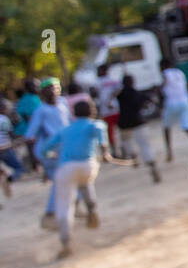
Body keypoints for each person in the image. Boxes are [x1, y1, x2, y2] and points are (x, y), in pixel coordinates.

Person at [40, 100, 131, 258]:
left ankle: (65, 242)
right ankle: (92, 208)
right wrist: (106, 153)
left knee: (64, 207)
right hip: (88, 166)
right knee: (85, 183)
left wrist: (51, 156)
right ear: (92, 111)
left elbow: (45, 149)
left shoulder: (66, 130)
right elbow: (101, 137)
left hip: (66, 168)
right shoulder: (95, 125)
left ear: (74, 114)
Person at [24, 79, 71, 228]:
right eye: (48, 88)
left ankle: (68, 210)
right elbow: (30, 136)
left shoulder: (63, 104)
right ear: (42, 92)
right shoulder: (41, 111)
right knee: (59, 181)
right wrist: (35, 161)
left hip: (65, 150)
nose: (52, 91)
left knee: (67, 179)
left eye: (55, 87)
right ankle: (51, 214)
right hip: (49, 152)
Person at [116, 74, 161, 183]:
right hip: (139, 122)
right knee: (145, 145)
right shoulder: (137, 93)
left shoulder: (120, 94)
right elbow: (149, 100)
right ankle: (150, 162)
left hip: (125, 123)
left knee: (126, 142)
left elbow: (111, 99)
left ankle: (133, 156)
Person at [160, 62, 188, 163]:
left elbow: (163, 85)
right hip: (185, 101)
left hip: (172, 103)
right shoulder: (180, 72)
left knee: (166, 127)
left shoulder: (165, 73)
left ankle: (169, 152)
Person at [94, 64, 122, 156]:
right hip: (115, 108)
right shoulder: (113, 80)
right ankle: (122, 150)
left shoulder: (98, 82)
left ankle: (115, 151)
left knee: (109, 133)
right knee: (119, 130)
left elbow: (94, 93)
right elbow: (119, 89)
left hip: (106, 111)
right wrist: (112, 98)